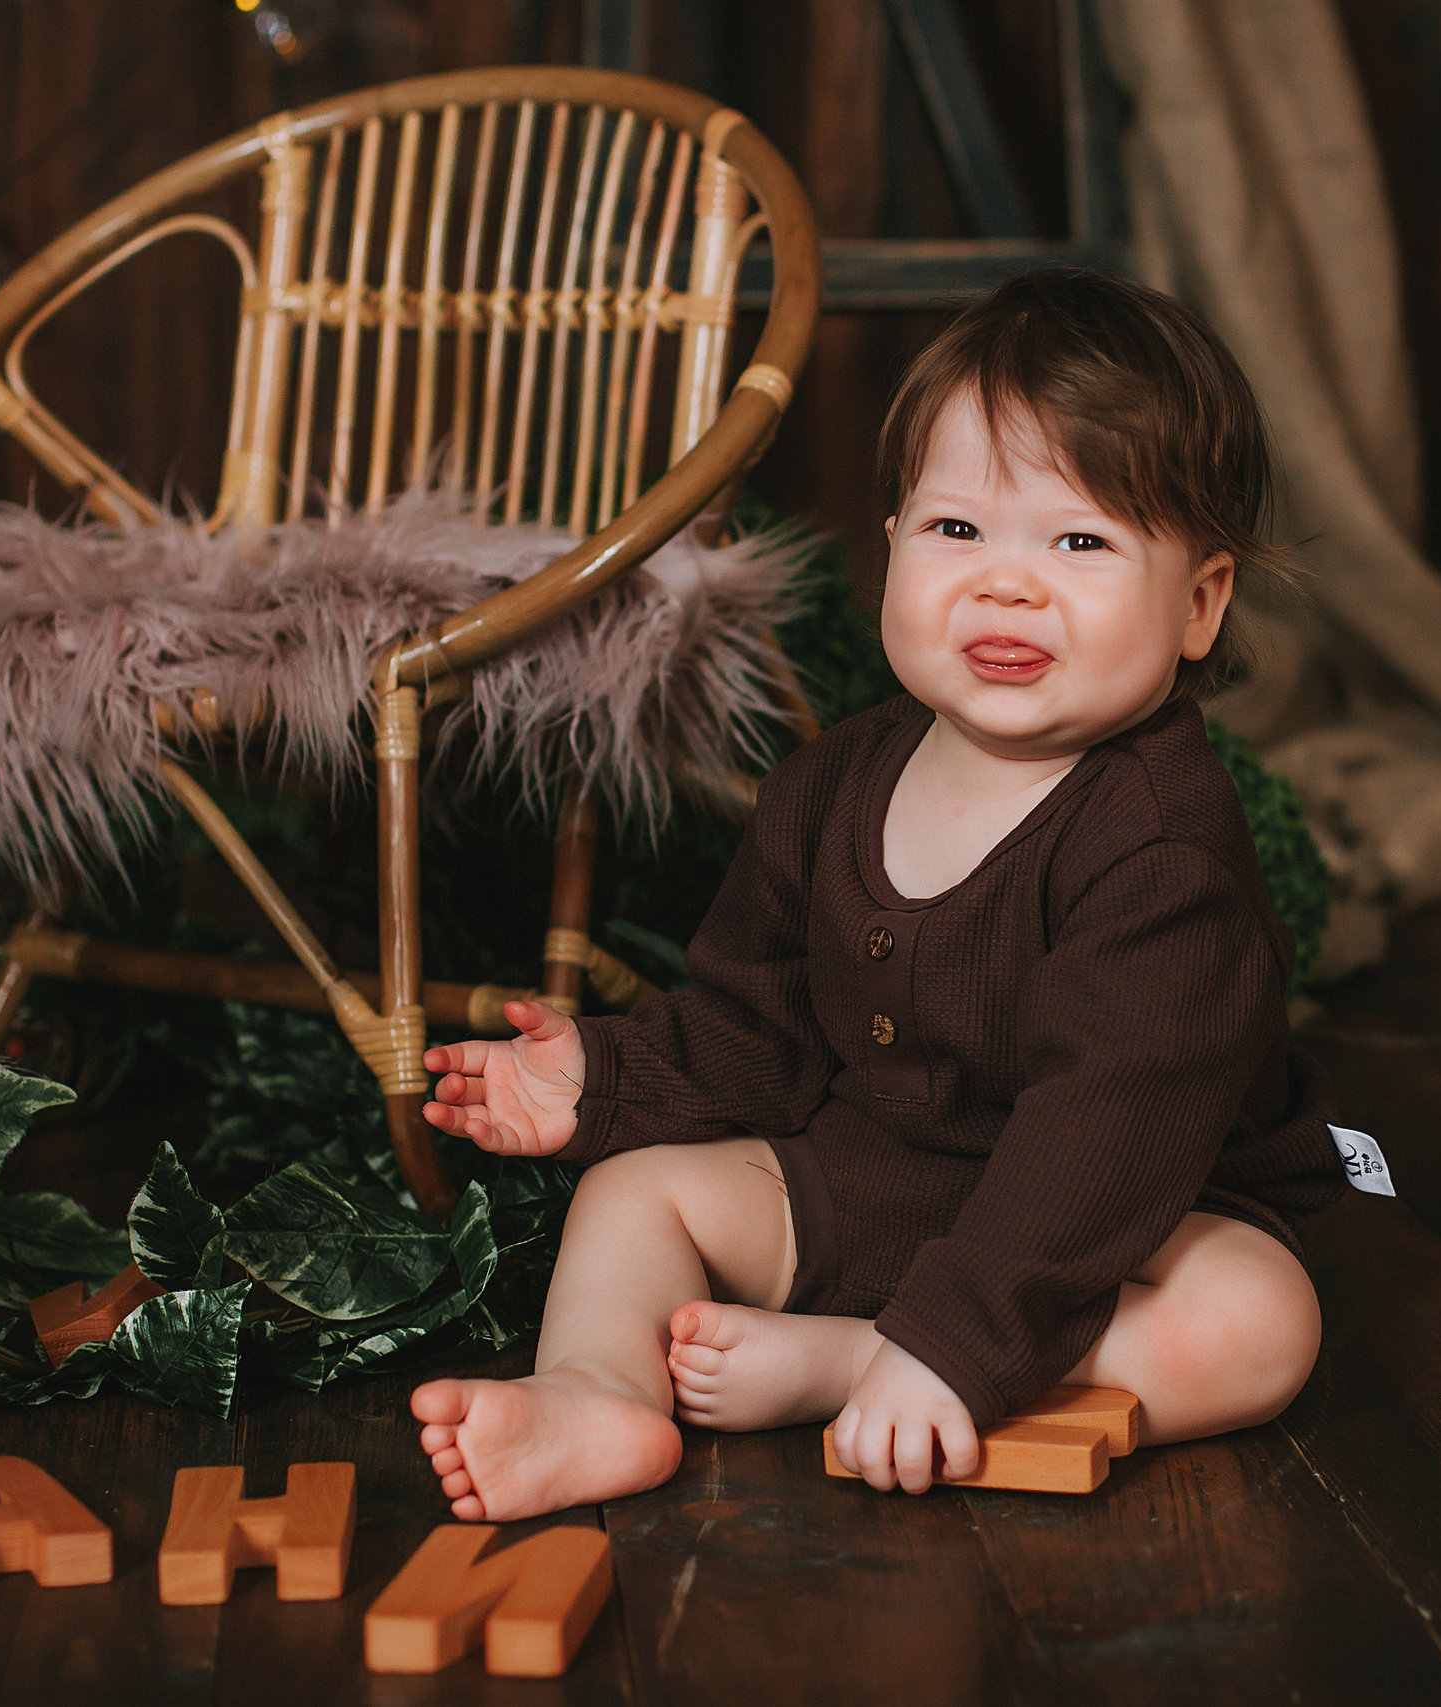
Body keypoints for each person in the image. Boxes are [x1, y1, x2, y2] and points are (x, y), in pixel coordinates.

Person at [410, 269, 1347, 1522]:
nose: (1007, 585)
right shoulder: (831, 782)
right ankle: (597, 1394)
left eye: (1079, 542)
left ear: (1198, 602)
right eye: (958, 531)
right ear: (894, 544)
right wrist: (611, 1079)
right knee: (633, 1195)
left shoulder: (1162, 855)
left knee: (1258, 1321)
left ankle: (854, 1359)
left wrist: (947, 1346)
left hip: (1129, 1222)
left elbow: (1100, 1140)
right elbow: (765, 1026)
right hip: (884, 1175)